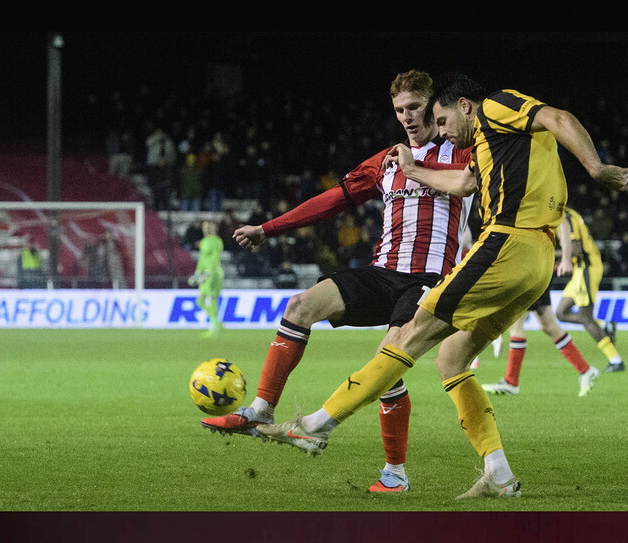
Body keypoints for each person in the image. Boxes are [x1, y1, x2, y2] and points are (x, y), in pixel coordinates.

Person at [256, 73, 628, 499]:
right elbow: (463, 183)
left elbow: (560, 117)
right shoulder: (489, 149)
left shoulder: (496, 105)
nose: (443, 130)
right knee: (452, 360)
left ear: (464, 106)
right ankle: (499, 473)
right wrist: (414, 169)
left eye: (442, 119)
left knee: (414, 331)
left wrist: (596, 167)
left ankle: (315, 425)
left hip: (508, 240)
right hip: (536, 263)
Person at [200, 70, 474, 493]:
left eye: (415, 107)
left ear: (433, 105)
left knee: (388, 363)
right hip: (382, 272)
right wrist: (267, 229)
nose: (407, 116)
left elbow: (482, 186)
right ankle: (260, 410)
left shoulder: (463, 152)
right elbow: (329, 203)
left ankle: (395, 474)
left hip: (429, 277)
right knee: (299, 307)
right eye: (400, 110)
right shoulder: (384, 162)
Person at [481, 212, 601, 397]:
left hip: (532, 265)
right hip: (536, 264)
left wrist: (566, 258)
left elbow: (562, 221)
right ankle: (585, 370)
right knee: (548, 324)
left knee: (517, 322)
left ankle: (511, 382)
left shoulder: (535, 193)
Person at [554, 206, 626, 372]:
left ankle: (615, 359)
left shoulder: (567, 218)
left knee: (587, 317)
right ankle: (604, 324)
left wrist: (553, 254)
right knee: (561, 313)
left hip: (586, 268)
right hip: (581, 269)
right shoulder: (570, 214)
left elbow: (575, 249)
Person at [189, 221, 224, 337]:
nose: (206, 229)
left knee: (212, 298)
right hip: (205, 274)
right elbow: (202, 259)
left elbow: (215, 257)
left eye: (207, 227)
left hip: (214, 273)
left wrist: (210, 271)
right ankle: (216, 321)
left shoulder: (217, 241)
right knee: (200, 301)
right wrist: (198, 272)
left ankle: (214, 326)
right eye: (204, 227)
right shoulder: (203, 242)